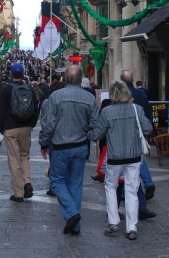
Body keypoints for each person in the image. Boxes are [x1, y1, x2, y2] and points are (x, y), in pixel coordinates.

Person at [39, 65, 99, 235]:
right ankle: (75, 223)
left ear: (65, 78)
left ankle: (72, 213)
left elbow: (48, 124)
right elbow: (96, 124)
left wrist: (44, 143)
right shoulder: (89, 98)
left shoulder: (56, 96)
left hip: (60, 146)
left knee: (57, 181)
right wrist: (88, 133)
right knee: (75, 183)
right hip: (80, 146)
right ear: (81, 79)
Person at [89, 82, 153, 241]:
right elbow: (148, 128)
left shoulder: (107, 111)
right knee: (132, 190)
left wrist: (88, 131)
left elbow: (97, 134)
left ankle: (113, 222)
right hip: (133, 156)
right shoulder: (136, 109)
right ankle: (132, 228)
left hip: (115, 157)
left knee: (111, 187)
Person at [0, 63, 39, 202]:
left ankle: (18, 192)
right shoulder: (30, 89)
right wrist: (31, 124)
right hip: (26, 127)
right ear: (23, 73)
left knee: (14, 159)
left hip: (10, 128)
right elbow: (36, 109)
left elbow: (1, 111)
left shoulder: (6, 90)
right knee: (24, 156)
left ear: (11, 73)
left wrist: (1, 128)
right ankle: (27, 182)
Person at [120, 69, 156, 199]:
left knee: (126, 162)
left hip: (125, 132)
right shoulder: (141, 94)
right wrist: (147, 128)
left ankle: (125, 191)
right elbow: (148, 111)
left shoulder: (120, 95)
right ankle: (148, 183)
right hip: (140, 131)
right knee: (139, 159)